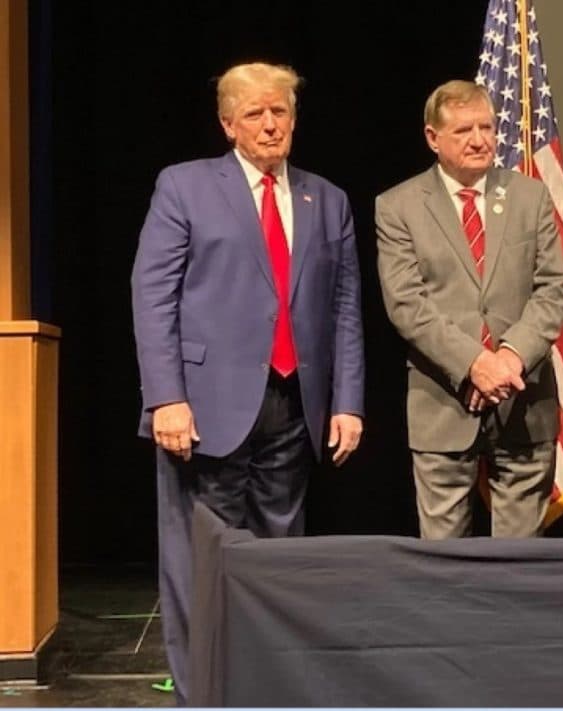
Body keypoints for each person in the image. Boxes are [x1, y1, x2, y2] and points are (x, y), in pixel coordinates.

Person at [130, 62, 364, 704]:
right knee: (200, 555)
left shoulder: (327, 198)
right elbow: (152, 295)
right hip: (203, 409)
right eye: (256, 113)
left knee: (279, 555)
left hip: (294, 405)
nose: (271, 124)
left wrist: (347, 401)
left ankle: (266, 681)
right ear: (229, 123)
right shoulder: (184, 186)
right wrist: (165, 398)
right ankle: (201, 686)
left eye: (281, 111)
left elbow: (343, 306)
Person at [375, 80, 563, 539]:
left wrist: (508, 360)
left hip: (523, 399)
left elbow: (553, 290)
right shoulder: (398, 206)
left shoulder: (531, 196)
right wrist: (475, 364)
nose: (480, 139)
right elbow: (407, 305)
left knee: (521, 564)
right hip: (443, 402)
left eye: (486, 127)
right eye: (464, 130)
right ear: (432, 138)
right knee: (445, 564)